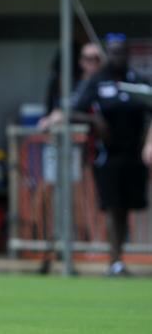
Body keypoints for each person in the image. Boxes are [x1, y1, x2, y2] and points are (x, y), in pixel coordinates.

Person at [43, 33, 151, 276]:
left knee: (127, 208)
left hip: (133, 154)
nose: (118, 56)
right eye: (113, 52)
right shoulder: (98, 81)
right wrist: (95, 120)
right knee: (112, 207)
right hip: (107, 155)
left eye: (122, 51)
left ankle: (119, 259)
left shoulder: (137, 80)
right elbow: (72, 109)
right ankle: (114, 261)